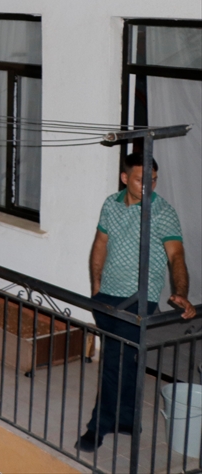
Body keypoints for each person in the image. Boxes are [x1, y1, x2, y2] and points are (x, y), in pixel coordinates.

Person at [77, 153, 195, 453]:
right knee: (127, 361)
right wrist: (96, 285)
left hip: (138, 301)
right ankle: (127, 420)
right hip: (106, 298)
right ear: (125, 178)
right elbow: (101, 243)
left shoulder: (162, 212)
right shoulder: (110, 204)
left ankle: (98, 426)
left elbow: (176, 256)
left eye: (153, 181)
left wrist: (181, 291)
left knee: (114, 363)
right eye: (142, 180)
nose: (148, 187)